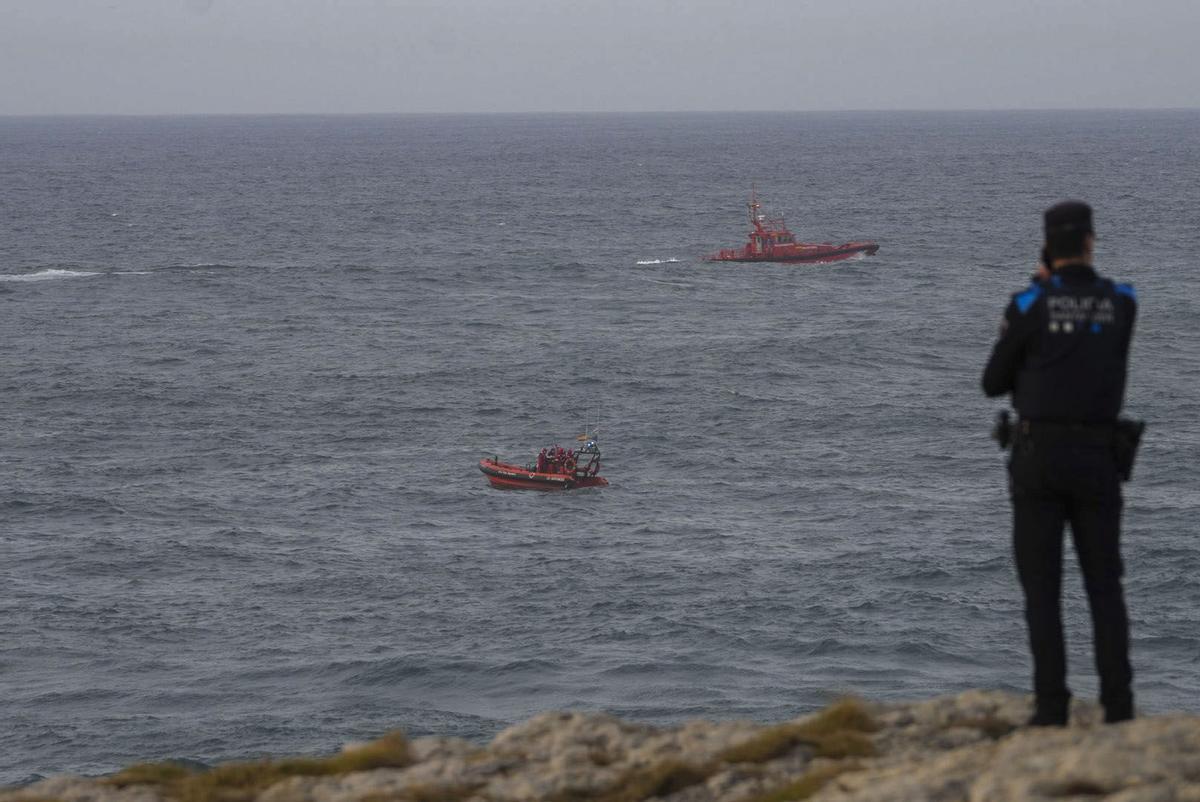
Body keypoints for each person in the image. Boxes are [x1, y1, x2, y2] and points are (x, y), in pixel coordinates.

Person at [981, 200, 1138, 727]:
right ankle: (1119, 706)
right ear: (1091, 240)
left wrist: (1037, 293)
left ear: (1048, 247)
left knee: (1042, 588)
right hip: (1099, 457)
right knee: (1105, 585)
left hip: (1038, 460)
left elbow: (993, 382)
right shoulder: (1122, 302)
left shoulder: (1030, 302)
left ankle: (1052, 706)